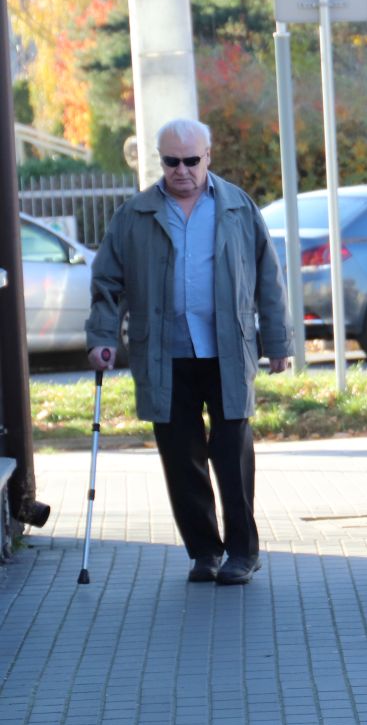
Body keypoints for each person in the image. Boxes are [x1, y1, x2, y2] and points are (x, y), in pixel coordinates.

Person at [85, 119, 292, 586]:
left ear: (208, 157)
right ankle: (204, 551)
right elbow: (106, 283)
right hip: (164, 354)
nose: (182, 170)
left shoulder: (238, 207)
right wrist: (101, 338)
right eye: (171, 161)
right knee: (180, 456)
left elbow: (268, 281)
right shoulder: (135, 214)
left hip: (227, 351)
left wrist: (277, 343)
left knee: (231, 452)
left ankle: (242, 551)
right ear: (161, 161)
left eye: (191, 160)